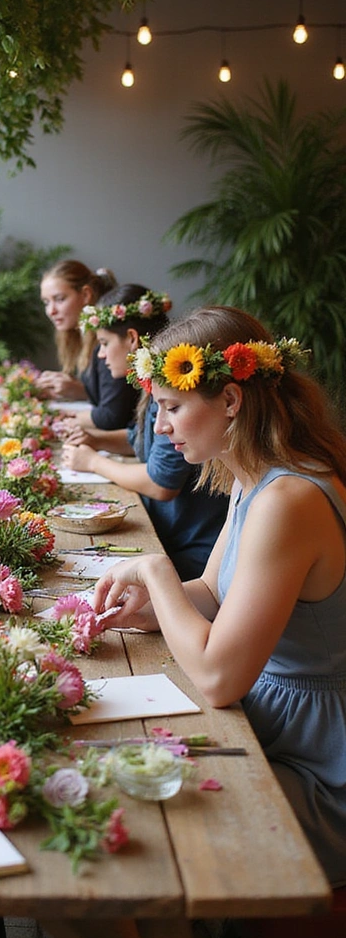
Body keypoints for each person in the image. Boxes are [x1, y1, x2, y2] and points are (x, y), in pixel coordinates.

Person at [93, 306, 346, 886]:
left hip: (317, 764)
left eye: (172, 407)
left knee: (133, 815)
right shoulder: (255, 478)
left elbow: (218, 678)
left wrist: (156, 575)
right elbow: (210, 590)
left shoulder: (288, 500)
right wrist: (149, 611)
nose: (159, 428)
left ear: (231, 401)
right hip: (270, 722)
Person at [63, 286, 228, 580]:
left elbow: (161, 483)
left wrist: (93, 462)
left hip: (188, 549)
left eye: (103, 343)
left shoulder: (174, 395)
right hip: (169, 535)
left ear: (131, 339)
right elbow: (139, 438)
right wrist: (96, 440)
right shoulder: (158, 392)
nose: (100, 355)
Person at [37, 260, 137, 431]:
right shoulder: (79, 338)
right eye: (46, 302)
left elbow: (114, 415)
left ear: (85, 295)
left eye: (59, 299)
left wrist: (58, 418)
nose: (51, 311)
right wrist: (79, 390)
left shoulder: (107, 342)